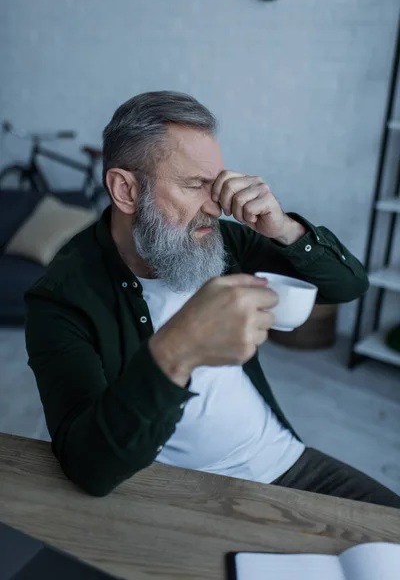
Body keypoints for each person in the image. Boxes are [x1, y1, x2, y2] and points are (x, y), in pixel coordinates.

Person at [25, 91, 400, 507]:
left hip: (286, 459)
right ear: (125, 190)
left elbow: (349, 286)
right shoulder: (61, 300)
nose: (215, 207)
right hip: (182, 496)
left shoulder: (223, 243)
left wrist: (283, 228)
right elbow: (90, 468)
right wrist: (175, 352)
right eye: (193, 186)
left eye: (216, 185)